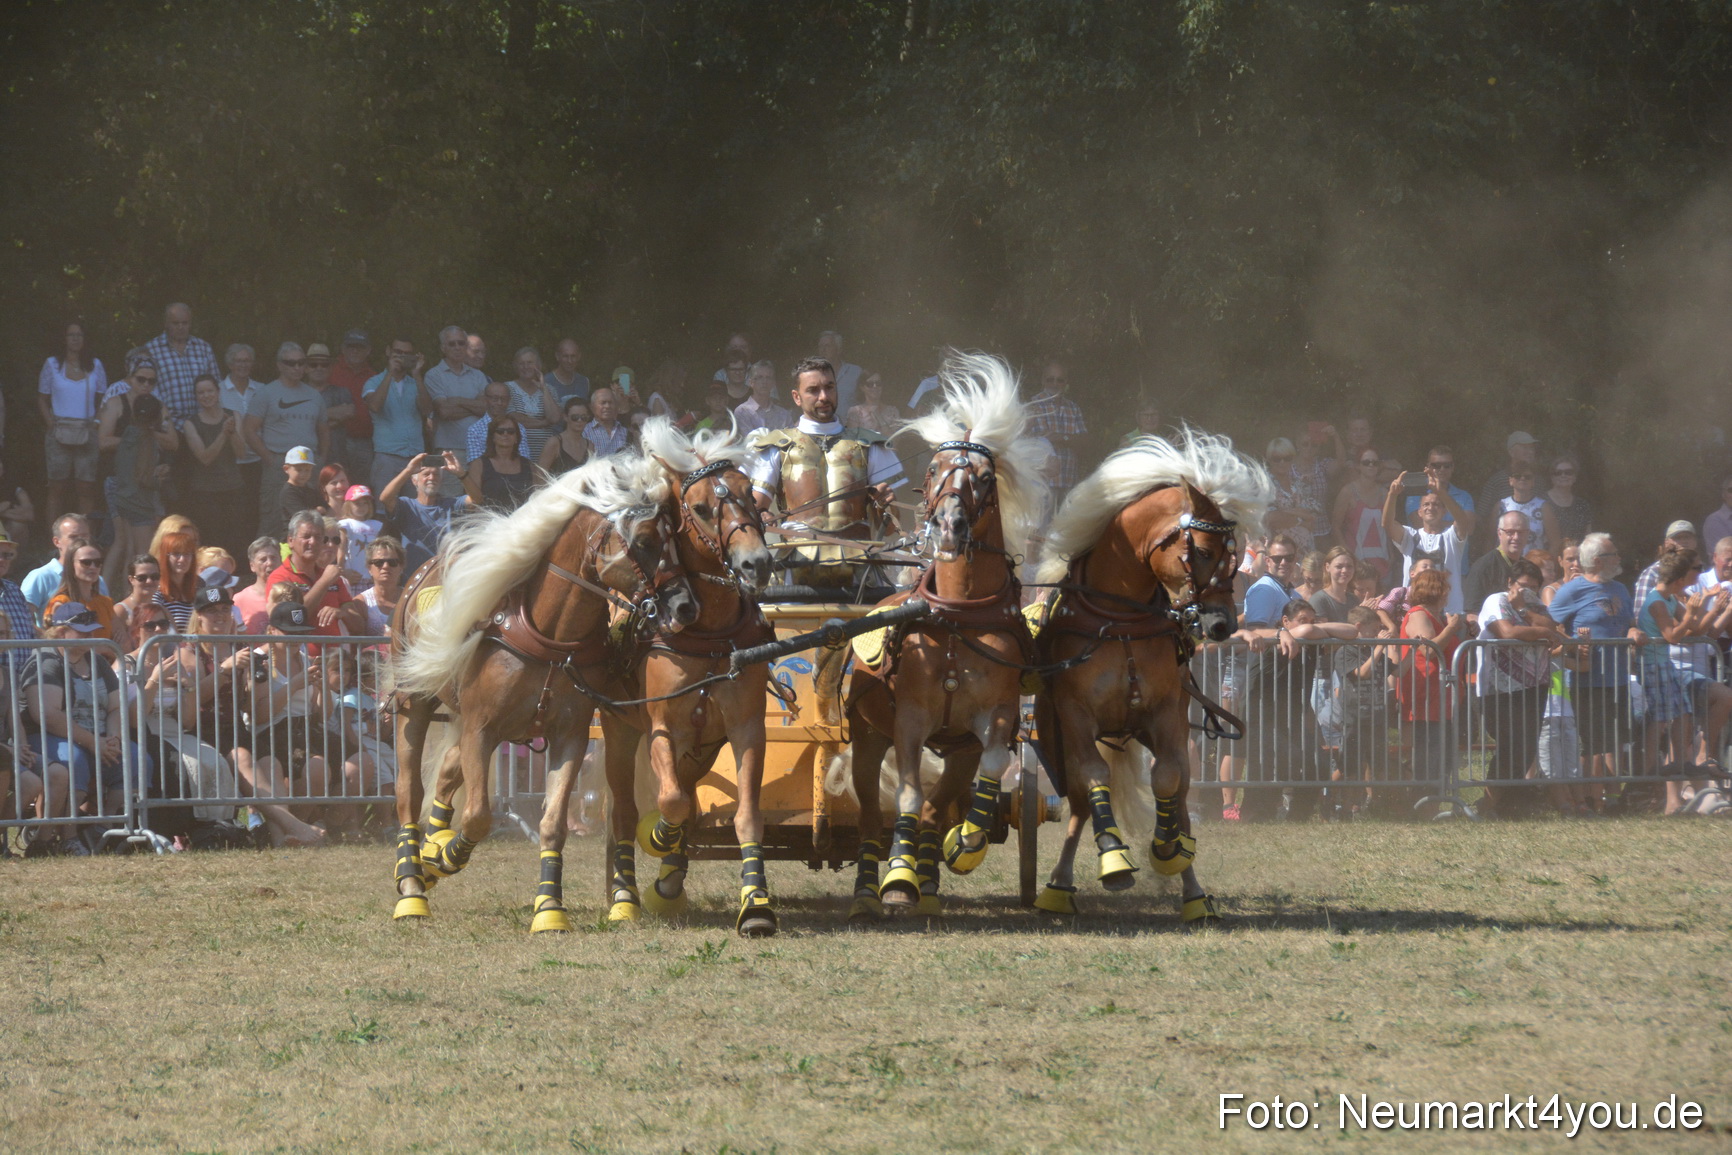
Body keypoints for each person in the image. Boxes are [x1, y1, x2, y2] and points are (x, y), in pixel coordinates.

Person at [747, 356, 909, 590]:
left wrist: (885, 506)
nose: (823, 397)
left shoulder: (869, 444)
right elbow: (755, 510)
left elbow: (892, 527)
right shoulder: (776, 446)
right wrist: (761, 516)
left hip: (859, 571)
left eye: (829, 387)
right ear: (796, 396)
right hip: (795, 569)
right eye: (813, 390)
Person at [22, 602, 150, 848]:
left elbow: (115, 706)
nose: (91, 635)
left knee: (135, 758)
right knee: (74, 759)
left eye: (92, 630)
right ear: (61, 632)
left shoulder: (97, 661)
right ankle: (66, 838)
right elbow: (46, 714)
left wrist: (113, 739)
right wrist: (93, 743)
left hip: (97, 737)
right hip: (48, 736)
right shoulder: (46, 660)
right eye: (83, 631)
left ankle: (100, 829)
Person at [1235, 598, 1357, 821]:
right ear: (1285, 620)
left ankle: (1299, 816)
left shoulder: (1311, 642)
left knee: (1317, 762)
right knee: (1268, 763)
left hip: (1292, 712)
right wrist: (1283, 633)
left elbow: (1351, 631)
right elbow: (1246, 633)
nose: (1310, 625)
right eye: (1302, 620)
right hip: (1261, 709)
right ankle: (1255, 814)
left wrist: (1314, 627)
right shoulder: (1273, 637)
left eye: (1313, 619)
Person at [1475, 559, 1565, 818]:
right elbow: (1506, 631)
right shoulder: (1496, 601)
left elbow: (1554, 629)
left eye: (1534, 588)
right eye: (1523, 586)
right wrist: (1541, 632)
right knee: (1509, 745)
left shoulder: (1532, 604)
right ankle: (1488, 806)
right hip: (1499, 688)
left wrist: (1525, 609)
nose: (1529, 592)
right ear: (1510, 583)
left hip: (1535, 684)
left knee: (1525, 746)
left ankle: (1507, 805)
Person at [1548, 532, 1635, 792]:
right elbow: (1546, 625)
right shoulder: (1572, 590)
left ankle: (1613, 797)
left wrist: (1634, 633)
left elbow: (1628, 624)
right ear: (1598, 560)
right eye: (1614, 554)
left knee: (1616, 741)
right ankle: (1587, 797)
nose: (1619, 558)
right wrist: (1573, 644)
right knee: (1593, 742)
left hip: (1619, 677)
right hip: (1587, 680)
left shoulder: (1619, 588)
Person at [1635, 549, 1711, 815]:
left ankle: (1679, 764)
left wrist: (1704, 609)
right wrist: (1689, 615)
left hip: (1665, 665)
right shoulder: (1656, 601)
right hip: (1653, 666)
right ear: (1679, 580)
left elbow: (1697, 629)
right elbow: (1672, 636)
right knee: (1659, 721)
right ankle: (1647, 777)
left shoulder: (1670, 598)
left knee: (1684, 713)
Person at [243, 343, 328, 534]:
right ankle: (268, 562)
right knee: (273, 521)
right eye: (291, 363)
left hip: (309, 464)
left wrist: (321, 457)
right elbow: (248, 429)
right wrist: (270, 459)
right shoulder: (266, 393)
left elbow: (323, 429)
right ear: (280, 365)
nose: (297, 367)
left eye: (301, 363)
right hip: (279, 463)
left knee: (311, 519)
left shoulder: (314, 396)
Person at [1394, 567, 1465, 796]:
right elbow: (1428, 649)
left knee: (1439, 755)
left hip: (1438, 699)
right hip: (1424, 699)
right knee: (1427, 756)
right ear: (1437, 590)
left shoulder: (1435, 617)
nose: (1448, 594)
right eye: (1445, 589)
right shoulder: (1418, 614)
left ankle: (1432, 803)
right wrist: (1453, 628)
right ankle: (1420, 804)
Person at [38, 319, 108, 519]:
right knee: (56, 488)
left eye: (79, 335)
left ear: (85, 339)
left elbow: (104, 399)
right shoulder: (52, 364)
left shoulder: (95, 365)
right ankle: (54, 542)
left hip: (87, 430)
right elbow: (42, 399)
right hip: (59, 430)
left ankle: (84, 540)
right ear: (64, 338)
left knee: (85, 488)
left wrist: (95, 423)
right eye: (71, 334)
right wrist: (51, 424)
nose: (75, 339)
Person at [1382, 469, 1475, 615]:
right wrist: (1392, 495)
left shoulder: (1451, 537)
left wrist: (1441, 492)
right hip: (1412, 612)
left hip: (1449, 613)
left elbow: (1463, 522)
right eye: (1426, 504)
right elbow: (1387, 524)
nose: (1430, 507)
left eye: (1436, 504)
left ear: (1444, 511)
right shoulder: (1409, 536)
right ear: (1419, 512)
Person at [1335, 605, 1395, 815]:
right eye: (1374, 629)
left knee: (1377, 765)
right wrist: (1379, 647)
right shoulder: (1346, 650)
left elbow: (1399, 670)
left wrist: (1414, 649)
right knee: (1350, 769)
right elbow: (1362, 673)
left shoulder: (1373, 650)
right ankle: (1337, 805)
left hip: (1377, 718)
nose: (1377, 634)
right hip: (1354, 719)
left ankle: (1375, 807)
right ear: (1359, 627)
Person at [268, 510, 363, 639]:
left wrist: (342, 613)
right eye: (306, 536)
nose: (312, 542)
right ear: (290, 540)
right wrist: (324, 582)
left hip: (335, 657)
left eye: (318, 537)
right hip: (301, 656)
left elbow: (360, 627)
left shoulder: (332, 577)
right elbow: (291, 620)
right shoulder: (280, 577)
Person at [181, 374, 246, 557]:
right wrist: (224, 433)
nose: (206, 395)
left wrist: (232, 432)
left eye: (210, 391)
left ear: (218, 392)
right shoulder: (190, 423)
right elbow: (204, 458)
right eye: (200, 392)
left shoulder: (233, 415)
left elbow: (241, 453)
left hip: (233, 487)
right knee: (211, 541)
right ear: (196, 396)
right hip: (205, 491)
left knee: (235, 539)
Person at [379, 451, 468, 574]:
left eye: (436, 474)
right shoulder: (407, 506)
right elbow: (385, 498)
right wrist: (408, 470)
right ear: (415, 481)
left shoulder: (451, 504)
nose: (431, 478)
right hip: (414, 580)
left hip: (445, 577)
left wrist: (462, 474)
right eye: (426, 474)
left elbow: (476, 499)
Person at [364, 338, 428, 495]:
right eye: (398, 352)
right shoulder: (373, 381)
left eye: (407, 354)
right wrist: (390, 374)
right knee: (382, 507)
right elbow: (374, 406)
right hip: (387, 455)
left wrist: (417, 375)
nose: (402, 357)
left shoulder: (415, 383)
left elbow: (427, 410)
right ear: (388, 352)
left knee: (415, 507)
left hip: (414, 456)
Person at [423, 325, 488, 477]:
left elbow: (485, 408)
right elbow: (444, 412)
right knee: (450, 498)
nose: (457, 347)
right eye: (452, 344)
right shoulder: (434, 375)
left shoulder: (478, 375)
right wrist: (473, 405)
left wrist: (457, 400)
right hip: (448, 450)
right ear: (443, 348)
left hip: (479, 449)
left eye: (461, 343)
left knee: (478, 497)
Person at [1024, 358, 1086, 509]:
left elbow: (1083, 442)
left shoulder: (1073, 408)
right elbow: (1023, 442)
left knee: (1064, 530)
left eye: (1059, 380)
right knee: (1041, 530)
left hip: (1068, 481)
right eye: (1050, 379)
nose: (1054, 384)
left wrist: (1058, 437)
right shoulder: (1032, 406)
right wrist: (1069, 439)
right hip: (1042, 483)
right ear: (1043, 381)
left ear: (1065, 383)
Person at [143, 301, 219, 423]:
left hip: (202, 423)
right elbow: (145, 388)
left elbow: (216, 384)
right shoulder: (151, 350)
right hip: (169, 424)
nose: (180, 327)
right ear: (166, 324)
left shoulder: (204, 348)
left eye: (185, 323)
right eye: (175, 323)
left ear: (190, 324)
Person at [23, 513, 107, 617]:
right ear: (57, 542)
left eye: (85, 536)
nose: (80, 541)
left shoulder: (97, 580)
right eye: (73, 537)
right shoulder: (41, 576)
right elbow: (23, 618)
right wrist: (46, 634)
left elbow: (108, 618)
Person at [43, 542, 125, 645]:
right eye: (86, 562)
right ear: (71, 565)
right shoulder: (61, 603)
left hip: (108, 661)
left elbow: (123, 643)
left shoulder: (106, 603)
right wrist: (105, 650)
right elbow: (60, 646)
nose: (93, 567)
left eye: (98, 562)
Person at [1332, 445, 1390, 585]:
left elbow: (1389, 527)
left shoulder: (1385, 493)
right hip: (1356, 565)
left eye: (1374, 463)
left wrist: (1391, 555)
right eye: (1366, 462)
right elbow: (1335, 526)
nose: (1371, 465)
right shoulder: (1348, 492)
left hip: (1382, 563)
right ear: (1358, 466)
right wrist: (1347, 556)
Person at [218, 343, 264, 516]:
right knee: (232, 512)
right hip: (230, 462)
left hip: (258, 461)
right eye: (238, 361)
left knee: (255, 510)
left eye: (247, 361)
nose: (243, 365)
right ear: (230, 364)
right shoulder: (218, 390)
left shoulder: (262, 390)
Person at [1464, 511, 1533, 623]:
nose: (1516, 537)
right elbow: (1472, 615)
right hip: (1494, 636)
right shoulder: (1483, 567)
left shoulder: (1528, 568)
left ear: (1528, 534)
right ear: (1499, 533)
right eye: (1510, 532)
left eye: (1521, 532)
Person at [1475, 431, 1540, 550]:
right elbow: (1482, 516)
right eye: (1525, 447)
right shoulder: (1497, 481)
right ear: (1511, 452)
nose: (1530, 451)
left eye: (1531, 448)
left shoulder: (1538, 481)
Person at [329, 330, 376, 485]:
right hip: (334, 440)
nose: (355, 351)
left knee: (361, 488)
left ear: (368, 350)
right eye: (351, 346)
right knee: (335, 484)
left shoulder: (374, 376)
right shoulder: (330, 370)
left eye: (360, 347)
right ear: (343, 348)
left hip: (364, 442)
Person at [1265, 438, 1327, 554]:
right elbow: (1272, 518)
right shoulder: (1265, 485)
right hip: (1280, 552)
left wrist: (1285, 511)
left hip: (1305, 549)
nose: (1282, 462)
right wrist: (1302, 520)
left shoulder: (1299, 482)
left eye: (1287, 458)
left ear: (1293, 458)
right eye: (1277, 459)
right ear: (1269, 460)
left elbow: (1314, 513)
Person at [463, 415, 535, 511]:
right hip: (488, 522)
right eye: (500, 431)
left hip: (520, 522)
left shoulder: (529, 466)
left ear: (517, 438)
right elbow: (472, 503)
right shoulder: (478, 464)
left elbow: (537, 498)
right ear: (492, 437)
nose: (505, 434)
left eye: (511, 431)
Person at [506, 347, 561, 460]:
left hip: (545, 452)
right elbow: (515, 419)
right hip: (517, 453)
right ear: (516, 367)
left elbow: (555, 418)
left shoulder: (550, 390)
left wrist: (544, 388)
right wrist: (545, 423)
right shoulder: (507, 388)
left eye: (530, 363)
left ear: (538, 366)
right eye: (521, 363)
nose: (526, 367)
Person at [1402, 445, 1474, 528]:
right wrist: (1458, 525)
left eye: (1447, 465)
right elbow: (1419, 525)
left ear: (1452, 467)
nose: (1442, 469)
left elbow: (1469, 528)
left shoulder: (1464, 496)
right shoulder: (1415, 493)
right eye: (1436, 465)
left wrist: (1432, 522)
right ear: (1428, 467)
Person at [1633, 520, 1699, 610]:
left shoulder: (1700, 571)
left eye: (1687, 537)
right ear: (1667, 543)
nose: (1684, 542)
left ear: (1695, 542)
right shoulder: (1653, 573)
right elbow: (1640, 613)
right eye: (1678, 538)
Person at [1496, 463, 1560, 555]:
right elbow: (1490, 540)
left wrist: (1545, 565)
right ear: (1510, 481)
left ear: (1533, 481)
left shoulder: (1543, 507)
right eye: (1517, 476)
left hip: (1533, 566)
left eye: (1527, 477)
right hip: (1505, 565)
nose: (1523, 479)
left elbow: (1555, 543)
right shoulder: (1500, 506)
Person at [465, 381, 530, 465]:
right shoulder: (474, 430)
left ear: (509, 400)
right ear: (485, 400)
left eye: (504, 399)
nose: (499, 403)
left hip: (515, 474)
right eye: (495, 399)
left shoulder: (519, 428)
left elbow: (524, 461)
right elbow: (475, 464)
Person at [269, 446, 324, 539]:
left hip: (311, 536)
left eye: (307, 470)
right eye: (299, 470)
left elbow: (326, 507)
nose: (303, 474)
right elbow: (305, 517)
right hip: (292, 539)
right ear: (286, 469)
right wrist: (318, 510)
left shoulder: (310, 488)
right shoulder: (288, 492)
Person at [152, 530, 200, 631]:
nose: (182, 559)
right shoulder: (157, 593)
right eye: (176, 554)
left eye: (187, 554)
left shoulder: (197, 592)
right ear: (166, 556)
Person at [358, 536, 406, 635]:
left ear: (401, 567)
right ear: (369, 568)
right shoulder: (361, 603)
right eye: (379, 562)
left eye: (392, 562)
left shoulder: (411, 598)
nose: (385, 566)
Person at [337, 486, 383, 589]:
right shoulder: (346, 524)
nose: (361, 507)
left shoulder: (375, 525)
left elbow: (379, 550)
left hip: (371, 576)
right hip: (353, 575)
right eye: (357, 503)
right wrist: (342, 570)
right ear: (348, 505)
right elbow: (342, 548)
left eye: (365, 503)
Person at [112, 553, 161, 647]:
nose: (149, 581)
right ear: (131, 580)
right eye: (142, 578)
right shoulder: (120, 611)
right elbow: (122, 652)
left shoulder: (161, 609)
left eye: (155, 577)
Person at [233, 538, 279, 634]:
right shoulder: (240, 599)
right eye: (263, 560)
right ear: (252, 566)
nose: (269, 563)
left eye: (273, 558)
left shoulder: (290, 594)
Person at [735, 360, 794, 435]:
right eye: (759, 377)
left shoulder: (783, 414)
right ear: (751, 382)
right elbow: (748, 442)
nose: (764, 381)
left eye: (768, 378)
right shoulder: (742, 411)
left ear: (773, 383)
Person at [1545, 453, 1594, 543]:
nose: (1563, 475)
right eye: (1558, 473)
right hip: (1547, 555)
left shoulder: (1583, 505)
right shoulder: (1541, 502)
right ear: (1552, 477)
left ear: (1575, 477)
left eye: (1568, 472)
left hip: (1576, 555)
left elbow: (1588, 536)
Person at [539, 396, 591, 476]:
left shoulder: (590, 446)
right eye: (575, 417)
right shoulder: (555, 443)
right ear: (565, 417)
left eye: (583, 417)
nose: (579, 420)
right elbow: (539, 475)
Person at [816, 330, 864, 415]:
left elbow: (866, 401)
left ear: (838, 349)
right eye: (820, 346)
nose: (823, 350)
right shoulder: (813, 375)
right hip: (824, 426)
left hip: (850, 426)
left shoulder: (855, 372)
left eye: (827, 346)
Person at [843, 368, 900, 435]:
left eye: (878, 383)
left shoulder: (893, 412)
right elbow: (852, 441)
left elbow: (894, 441)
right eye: (870, 384)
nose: (875, 386)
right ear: (862, 387)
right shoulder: (855, 412)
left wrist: (879, 417)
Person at [1308, 547, 1358, 623]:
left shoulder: (1354, 600)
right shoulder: (1319, 600)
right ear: (1327, 567)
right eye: (1339, 566)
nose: (1344, 570)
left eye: (1349, 566)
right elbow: (1322, 631)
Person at [583, 386, 630, 459]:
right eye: (603, 403)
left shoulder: (625, 432)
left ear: (616, 406)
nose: (607, 406)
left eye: (610, 403)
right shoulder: (585, 432)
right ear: (592, 407)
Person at [1545, 538, 1582, 604]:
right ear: (1560, 561)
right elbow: (1552, 614)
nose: (1576, 564)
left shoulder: (1592, 585)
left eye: (1580, 558)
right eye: (1570, 559)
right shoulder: (1552, 591)